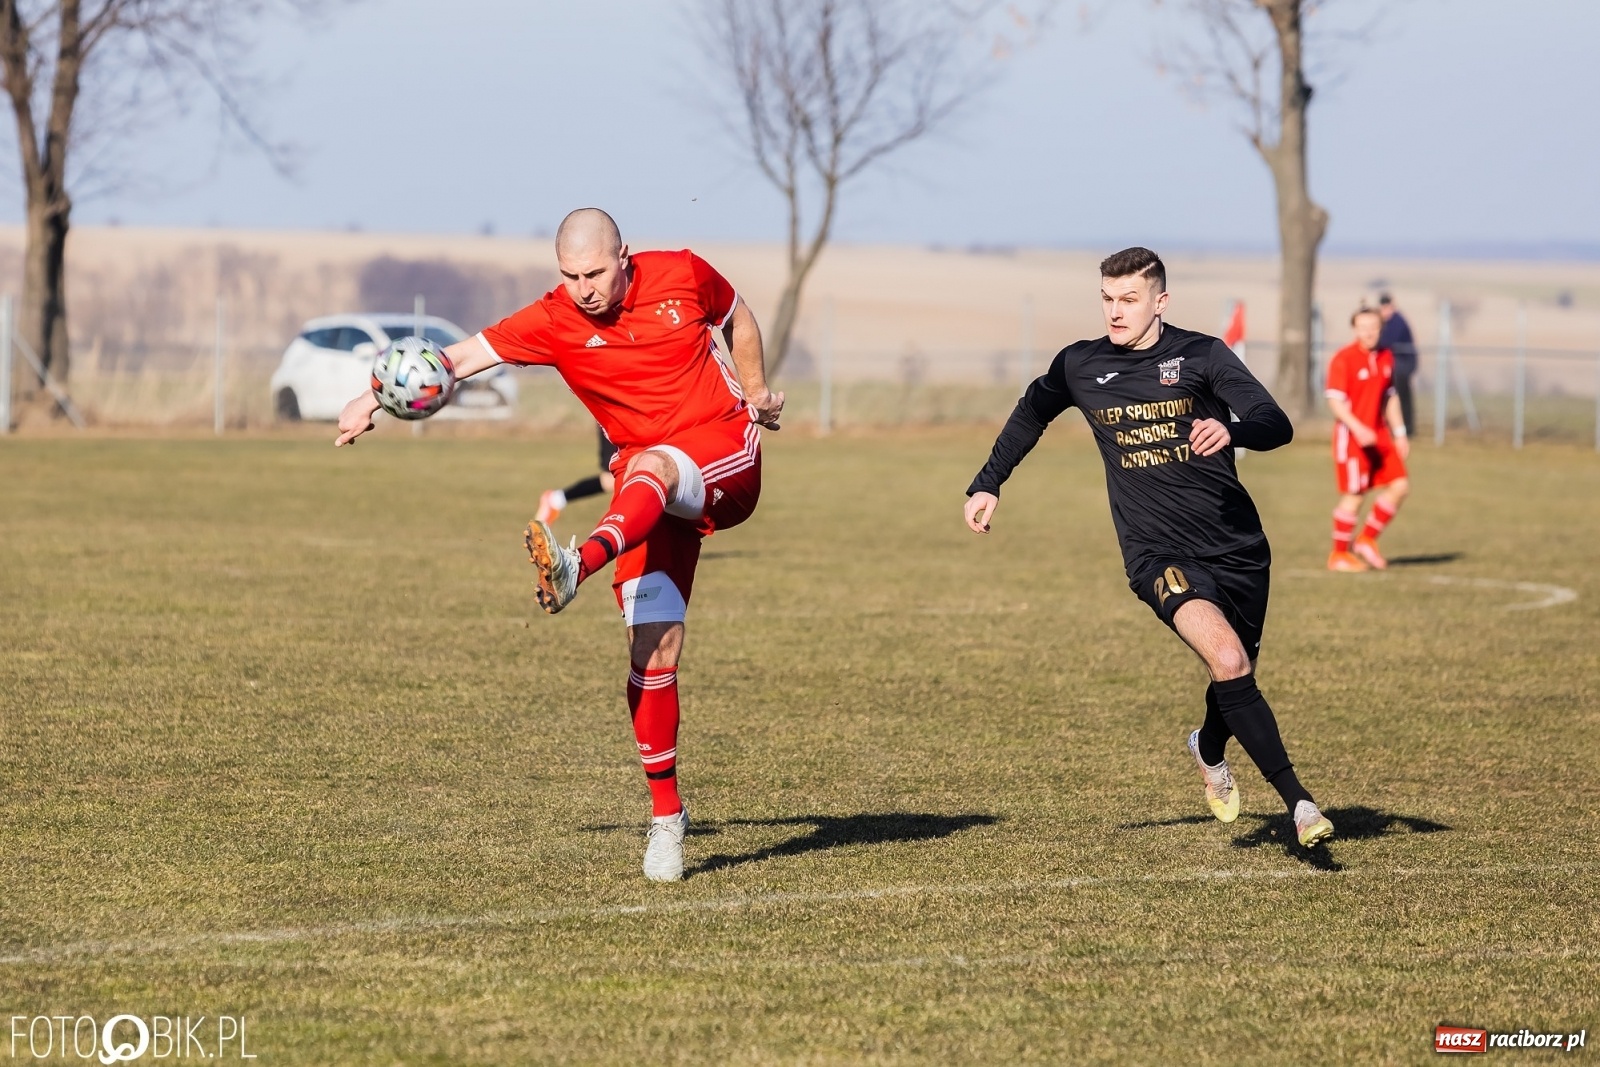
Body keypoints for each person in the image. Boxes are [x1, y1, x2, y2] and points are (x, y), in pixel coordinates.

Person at [336, 208, 784, 882]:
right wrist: (372, 396)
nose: (584, 288)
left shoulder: (683, 273)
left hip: (723, 450)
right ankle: (668, 818)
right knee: (652, 652)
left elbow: (739, 315)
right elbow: (454, 360)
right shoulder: (553, 318)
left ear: (624, 255)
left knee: (654, 467)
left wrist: (755, 391)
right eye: (570, 276)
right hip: (642, 488)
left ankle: (578, 560)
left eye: (596, 272)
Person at [963, 247, 1334, 849]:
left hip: (1238, 547)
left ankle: (1208, 748)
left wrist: (1231, 429)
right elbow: (1032, 412)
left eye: (1129, 299)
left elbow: (1276, 421)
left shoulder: (1202, 354)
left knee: (1235, 672)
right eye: (1107, 299)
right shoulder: (1081, 365)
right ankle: (1300, 804)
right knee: (1230, 661)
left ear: (1160, 302)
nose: (1116, 312)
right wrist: (988, 482)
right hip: (1157, 552)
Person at [1325, 307, 1410, 572]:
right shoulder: (1344, 359)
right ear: (1355, 329)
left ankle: (1366, 540)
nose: (1368, 332)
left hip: (1381, 435)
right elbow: (1335, 401)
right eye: (1363, 327)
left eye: (1373, 327)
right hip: (1352, 438)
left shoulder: (1386, 356)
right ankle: (1339, 555)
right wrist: (1357, 427)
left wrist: (1400, 433)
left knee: (1400, 485)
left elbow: (1390, 397)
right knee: (1356, 496)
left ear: (1380, 328)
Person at [535, 424, 618, 524]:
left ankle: (555, 499)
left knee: (612, 480)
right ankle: (555, 499)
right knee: (615, 478)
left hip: (631, 421)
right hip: (614, 420)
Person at [1377, 293, 1417, 435]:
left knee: (1401, 394)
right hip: (1391, 364)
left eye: (1387, 308)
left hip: (1403, 364)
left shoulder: (1397, 321)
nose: (1385, 311)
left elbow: (1387, 342)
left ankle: (1407, 427)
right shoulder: (1384, 322)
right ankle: (1388, 426)